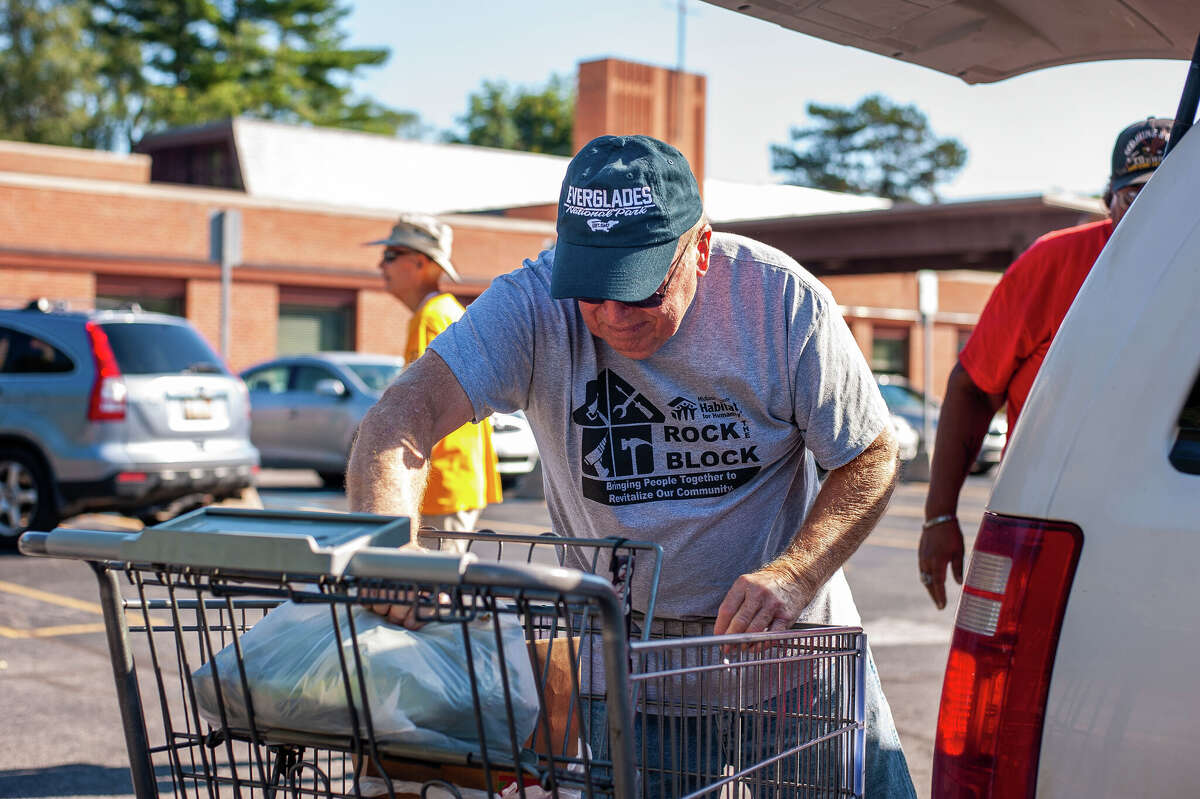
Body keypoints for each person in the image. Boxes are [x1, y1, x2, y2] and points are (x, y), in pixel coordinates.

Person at [348, 135, 915, 796]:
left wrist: (794, 573)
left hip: (787, 659)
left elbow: (869, 456)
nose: (614, 316)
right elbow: (400, 417)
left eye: (640, 290)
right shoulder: (532, 304)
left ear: (698, 248)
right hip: (633, 668)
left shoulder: (782, 302)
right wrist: (390, 550)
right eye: (593, 291)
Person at [919, 117, 1171, 609]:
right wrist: (939, 516)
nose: (1153, 212)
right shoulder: (1054, 262)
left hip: (1164, 520)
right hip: (1046, 514)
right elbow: (973, 387)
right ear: (1108, 200)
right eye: (1135, 196)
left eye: (1170, 195)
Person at [367, 213, 503, 546]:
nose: (380, 265)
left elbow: (418, 411)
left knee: (432, 592)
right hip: (451, 483)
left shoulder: (432, 317)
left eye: (390, 255)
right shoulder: (444, 312)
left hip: (442, 487)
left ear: (420, 263)